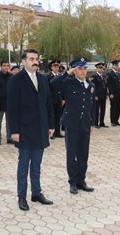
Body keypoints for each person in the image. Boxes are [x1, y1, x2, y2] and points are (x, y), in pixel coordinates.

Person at [7, 48, 54, 212]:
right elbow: (12, 107)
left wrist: (51, 125)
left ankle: (36, 193)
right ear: (24, 61)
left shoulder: (42, 79)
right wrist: (14, 131)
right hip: (24, 130)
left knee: (37, 164)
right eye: (32, 59)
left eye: (36, 58)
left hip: (40, 129)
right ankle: (22, 196)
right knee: (23, 166)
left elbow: (48, 103)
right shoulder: (16, 80)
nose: (35, 61)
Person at [50, 58, 95, 195]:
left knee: (83, 154)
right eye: (80, 69)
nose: (83, 71)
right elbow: (52, 84)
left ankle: (81, 181)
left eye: (84, 68)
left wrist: (91, 122)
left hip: (85, 124)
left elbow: (91, 106)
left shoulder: (91, 85)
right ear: (74, 70)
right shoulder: (68, 83)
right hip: (71, 123)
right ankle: (73, 182)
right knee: (71, 154)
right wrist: (67, 73)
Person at [0, 61, 13, 146]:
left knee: (9, 122)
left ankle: (9, 138)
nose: (6, 67)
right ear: (1, 66)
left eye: (7, 65)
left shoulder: (12, 77)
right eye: (4, 65)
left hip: (9, 103)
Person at [47, 60, 64, 139]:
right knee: (52, 116)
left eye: (57, 67)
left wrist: (63, 98)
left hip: (59, 99)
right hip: (51, 99)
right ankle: (52, 132)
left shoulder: (61, 76)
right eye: (55, 66)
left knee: (58, 116)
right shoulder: (47, 76)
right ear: (51, 67)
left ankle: (57, 131)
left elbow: (63, 88)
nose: (56, 68)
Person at [90, 62, 108, 128]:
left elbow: (105, 86)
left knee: (103, 109)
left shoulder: (104, 76)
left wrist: (106, 94)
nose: (101, 69)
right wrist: (94, 95)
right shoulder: (93, 76)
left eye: (101, 68)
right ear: (96, 69)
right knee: (96, 110)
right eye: (99, 68)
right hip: (97, 96)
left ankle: (102, 122)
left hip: (103, 95)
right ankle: (95, 123)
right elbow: (92, 87)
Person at [107, 60, 120, 126]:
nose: (117, 66)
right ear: (113, 66)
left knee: (118, 107)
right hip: (113, 94)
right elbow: (109, 84)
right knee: (113, 107)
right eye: (116, 65)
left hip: (119, 93)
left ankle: (116, 120)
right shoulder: (110, 74)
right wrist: (110, 93)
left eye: (118, 65)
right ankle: (113, 121)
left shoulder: (119, 74)